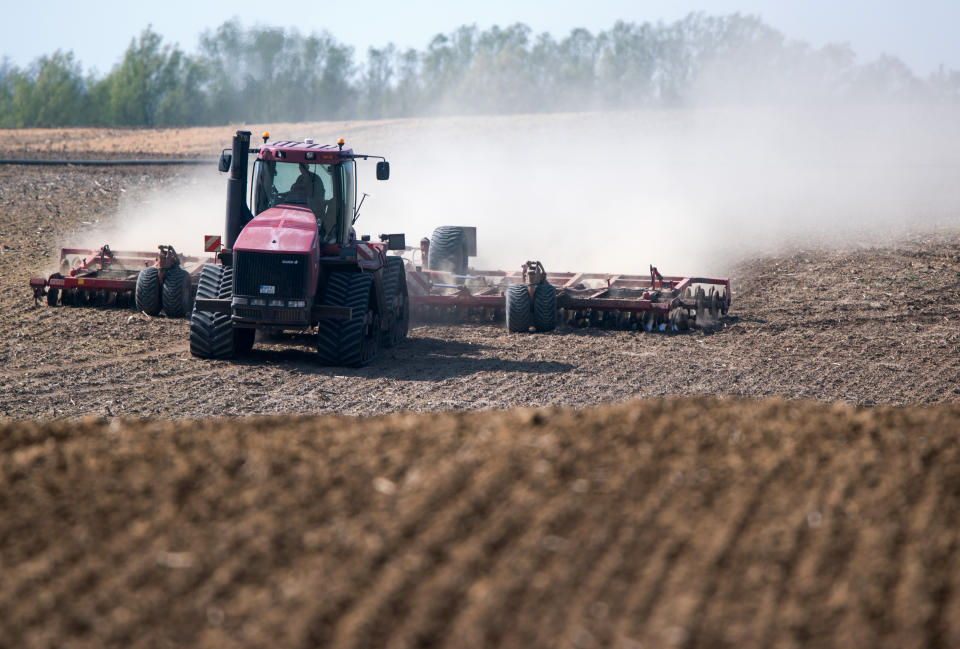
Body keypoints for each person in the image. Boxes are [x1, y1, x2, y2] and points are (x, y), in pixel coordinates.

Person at [291, 163, 336, 241]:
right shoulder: (300, 178)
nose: (301, 169)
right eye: (301, 167)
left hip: (314, 211)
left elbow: (317, 197)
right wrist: (283, 194)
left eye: (303, 167)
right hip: (299, 211)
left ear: (307, 167)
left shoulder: (316, 180)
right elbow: (294, 191)